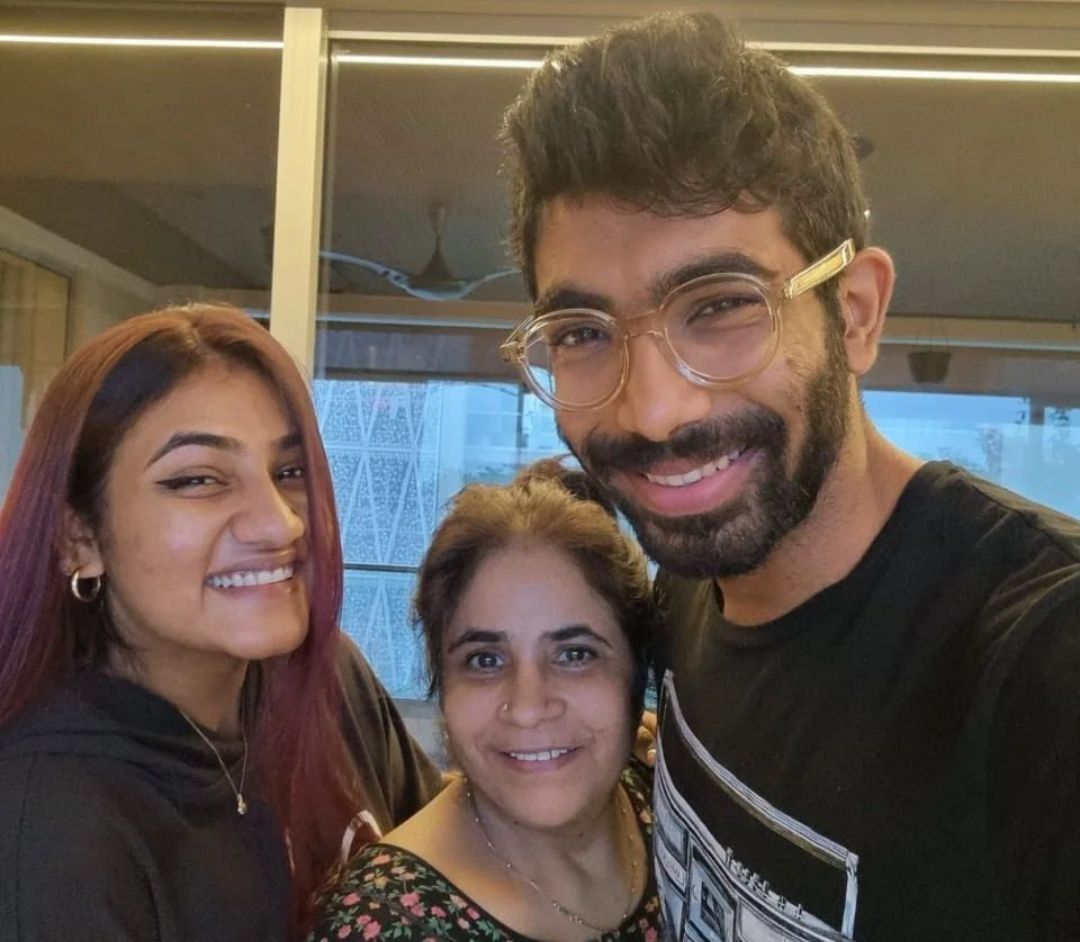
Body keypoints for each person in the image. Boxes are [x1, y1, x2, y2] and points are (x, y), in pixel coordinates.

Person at [497, 13, 1080, 942]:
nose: (653, 413)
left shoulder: (1040, 671)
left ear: (853, 314)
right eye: (581, 333)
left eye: (722, 306)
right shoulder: (692, 574)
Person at [0, 304, 440, 941]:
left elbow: (461, 869)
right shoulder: (46, 824)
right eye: (199, 479)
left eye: (288, 472)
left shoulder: (330, 682)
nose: (281, 523)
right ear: (78, 538)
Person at [308, 461, 663, 942]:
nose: (528, 706)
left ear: (634, 674)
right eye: (485, 661)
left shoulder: (665, 800)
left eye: (574, 654)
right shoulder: (385, 923)